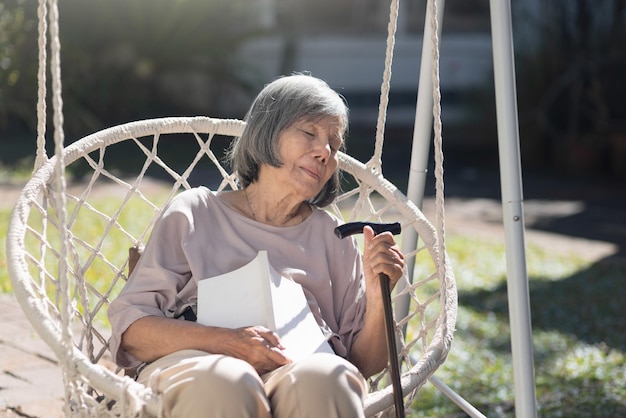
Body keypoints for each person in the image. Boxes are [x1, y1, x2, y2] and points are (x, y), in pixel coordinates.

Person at [108, 74, 405, 418]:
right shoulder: (196, 212)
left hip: (296, 370)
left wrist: (376, 295)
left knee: (329, 378)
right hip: (197, 363)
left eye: (334, 146)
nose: (324, 151)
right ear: (268, 133)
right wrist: (227, 342)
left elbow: (363, 364)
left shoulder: (331, 236)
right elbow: (132, 331)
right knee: (227, 381)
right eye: (309, 133)